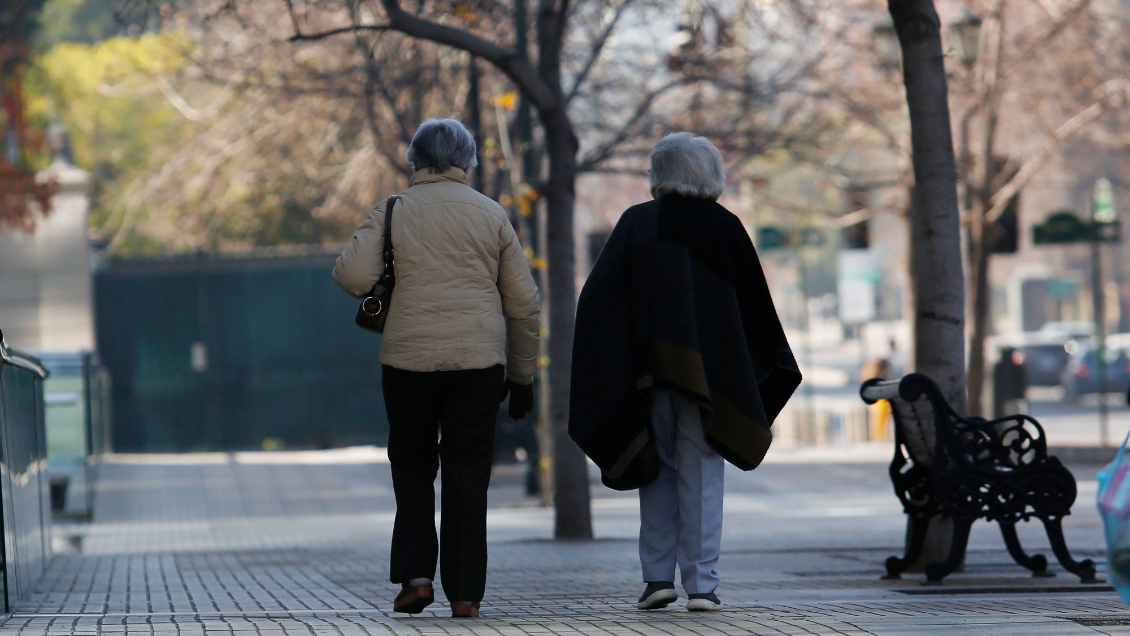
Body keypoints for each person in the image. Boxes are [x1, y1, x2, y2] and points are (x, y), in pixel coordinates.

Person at [569, 133, 801, 612]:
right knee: (702, 477)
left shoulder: (636, 223)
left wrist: (615, 358)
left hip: (644, 378)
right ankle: (702, 586)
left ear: (660, 174)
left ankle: (657, 580)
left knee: (655, 469)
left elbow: (596, 301)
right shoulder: (725, 228)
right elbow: (755, 312)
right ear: (709, 174)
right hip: (713, 383)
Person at [332, 118, 540, 618]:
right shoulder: (492, 215)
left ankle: (417, 578)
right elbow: (525, 303)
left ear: (414, 160)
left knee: (412, 465)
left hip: (408, 362)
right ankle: (465, 594)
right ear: (468, 161)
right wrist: (522, 375)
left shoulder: (393, 211)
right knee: (468, 473)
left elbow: (350, 274)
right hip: (479, 363)